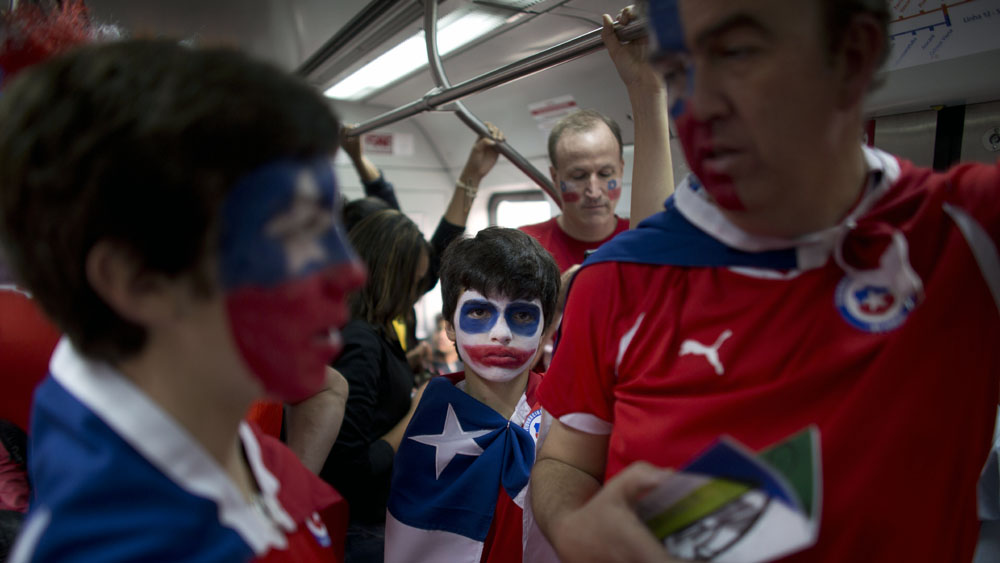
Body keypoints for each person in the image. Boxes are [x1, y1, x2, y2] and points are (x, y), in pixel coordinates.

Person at [529, 1, 1000, 562]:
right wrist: (573, 526)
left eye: (738, 54)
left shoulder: (966, 236)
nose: (699, 106)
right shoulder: (620, 278)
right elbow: (566, 461)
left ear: (853, 53)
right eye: (678, 72)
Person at [0, 39, 367, 561]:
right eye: (293, 232)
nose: (351, 271)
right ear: (137, 281)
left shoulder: (226, 445)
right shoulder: (120, 546)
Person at [385, 227, 560, 563]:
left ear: (544, 328)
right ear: (449, 324)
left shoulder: (565, 417)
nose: (501, 334)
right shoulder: (430, 419)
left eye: (522, 315)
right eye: (479, 312)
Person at [520, 7, 674, 272]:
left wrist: (649, 89)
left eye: (605, 173)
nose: (593, 191)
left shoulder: (639, 233)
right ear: (555, 178)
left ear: (621, 170)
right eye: (578, 176)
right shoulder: (526, 246)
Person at [319, 209, 431, 562]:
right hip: (360, 527)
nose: (414, 298)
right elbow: (350, 469)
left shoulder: (369, 331)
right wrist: (414, 413)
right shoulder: (361, 342)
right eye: (413, 285)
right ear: (390, 277)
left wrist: (405, 366)